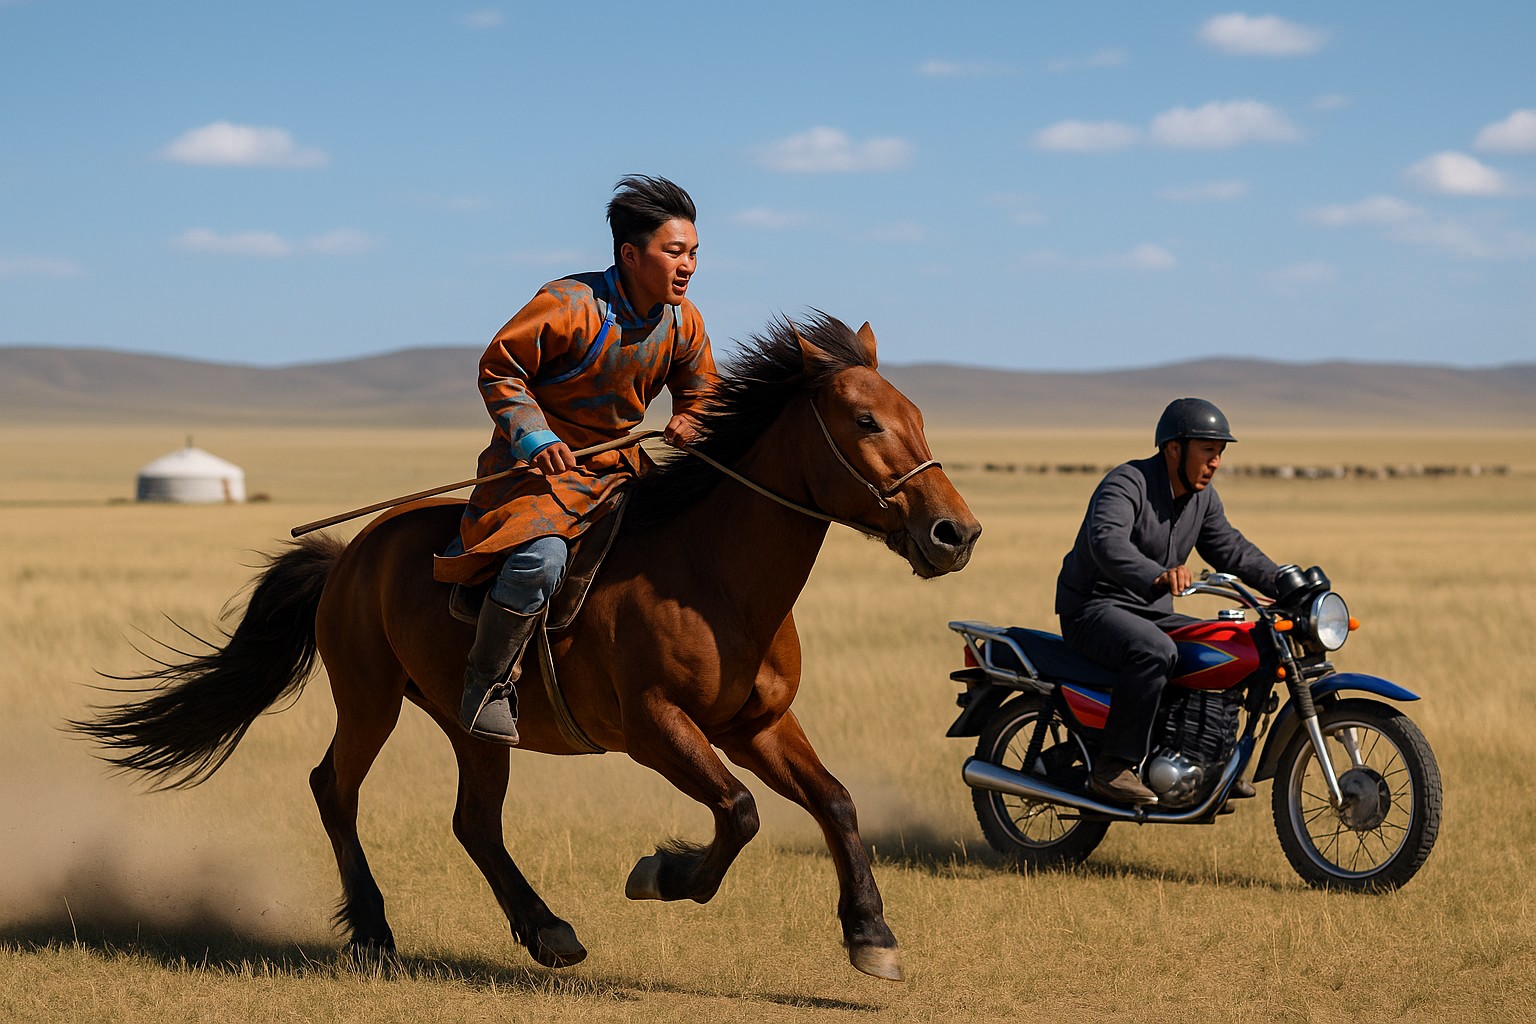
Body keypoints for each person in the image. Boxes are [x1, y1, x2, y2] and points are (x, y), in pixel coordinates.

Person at [433, 175, 717, 746]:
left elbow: (702, 390)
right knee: (538, 562)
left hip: (619, 470)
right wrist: (534, 438)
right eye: (673, 252)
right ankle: (486, 683)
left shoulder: (684, 322)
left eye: (693, 254)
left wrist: (692, 416)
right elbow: (501, 369)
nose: (687, 266)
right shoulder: (568, 305)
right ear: (630, 255)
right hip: (538, 474)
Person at [1055, 398, 1280, 805]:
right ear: (1174, 448)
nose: (1215, 463)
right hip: (1094, 608)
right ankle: (1114, 767)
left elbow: (1229, 548)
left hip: (1151, 612)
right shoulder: (1128, 482)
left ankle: (1217, 760)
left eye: (1220, 454)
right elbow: (1106, 541)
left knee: (1232, 641)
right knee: (1153, 649)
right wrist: (1155, 575)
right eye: (1208, 451)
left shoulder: (1202, 499)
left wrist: (1284, 580)